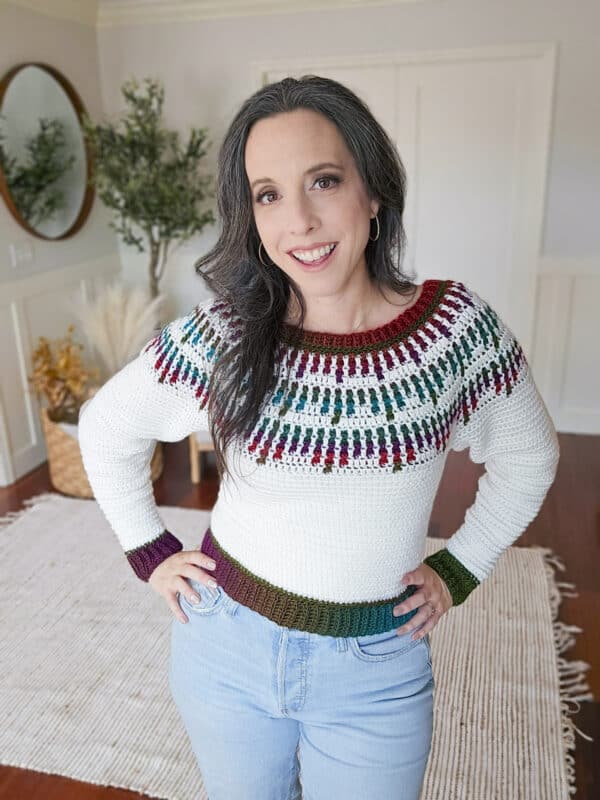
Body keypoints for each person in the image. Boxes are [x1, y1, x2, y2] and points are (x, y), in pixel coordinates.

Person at [78, 75, 560, 800]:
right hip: (223, 647)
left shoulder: (457, 330)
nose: (298, 220)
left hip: (376, 671)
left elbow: (530, 455)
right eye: (267, 194)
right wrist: (150, 550)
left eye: (324, 181)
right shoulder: (227, 332)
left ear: (373, 192)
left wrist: (460, 568)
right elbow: (108, 424)